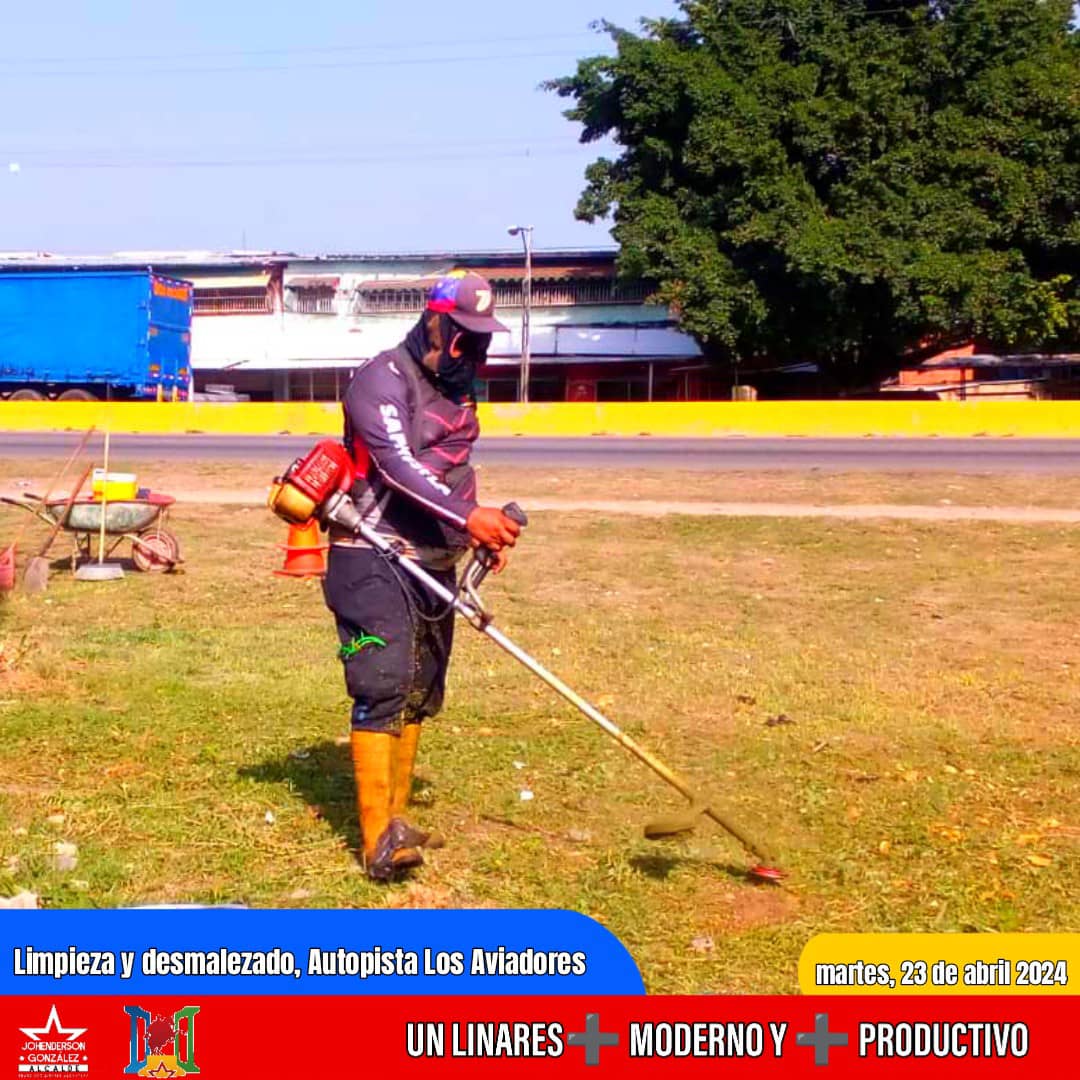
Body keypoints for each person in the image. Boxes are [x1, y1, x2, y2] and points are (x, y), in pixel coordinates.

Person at [323, 270, 522, 881]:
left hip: (435, 561)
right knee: (382, 682)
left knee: (419, 691)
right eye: (463, 337)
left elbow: (457, 469)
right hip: (372, 553)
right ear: (433, 323)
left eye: (482, 341)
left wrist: (479, 534)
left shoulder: (459, 390)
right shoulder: (380, 379)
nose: (473, 352)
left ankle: (398, 819)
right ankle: (376, 838)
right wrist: (471, 516)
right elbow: (398, 466)